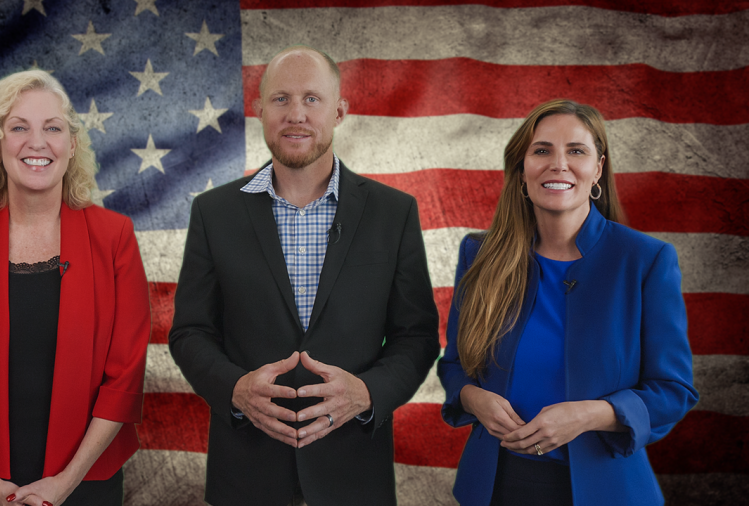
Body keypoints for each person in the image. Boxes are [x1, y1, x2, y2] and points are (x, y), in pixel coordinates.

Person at [168, 45, 440, 506]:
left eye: (312, 99)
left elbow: (416, 336)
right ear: (258, 110)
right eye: (281, 99)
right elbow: (191, 331)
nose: (296, 114)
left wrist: (366, 393)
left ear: (339, 111)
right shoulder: (213, 212)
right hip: (245, 477)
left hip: (354, 475)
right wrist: (234, 390)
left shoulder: (393, 213)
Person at [437, 99, 699, 505]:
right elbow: (454, 365)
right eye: (542, 150)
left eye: (576, 151)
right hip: (495, 486)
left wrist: (588, 415)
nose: (558, 164)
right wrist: (474, 399)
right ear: (521, 170)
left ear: (597, 169)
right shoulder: (479, 254)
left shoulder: (646, 260)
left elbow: (673, 390)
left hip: (606, 489)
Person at [0, 70, 151, 506]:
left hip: (85, 481)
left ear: (72, 144)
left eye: (52, 128)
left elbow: (125, 378)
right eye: (18, 127)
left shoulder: (114, 236)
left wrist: (65, 482)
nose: (36, 143)